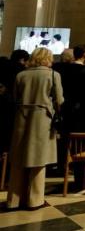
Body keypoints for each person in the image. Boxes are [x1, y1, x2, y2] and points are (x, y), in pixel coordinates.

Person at [6, 47, 63, 211]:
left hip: (22, 116)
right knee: (39, 159)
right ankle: (34, 199)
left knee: (18, 158)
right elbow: (59, 100)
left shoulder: (21, 75)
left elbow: (15, 97)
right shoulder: (53, 75)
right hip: (42, 119)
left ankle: (14, 200)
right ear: (48, 58)